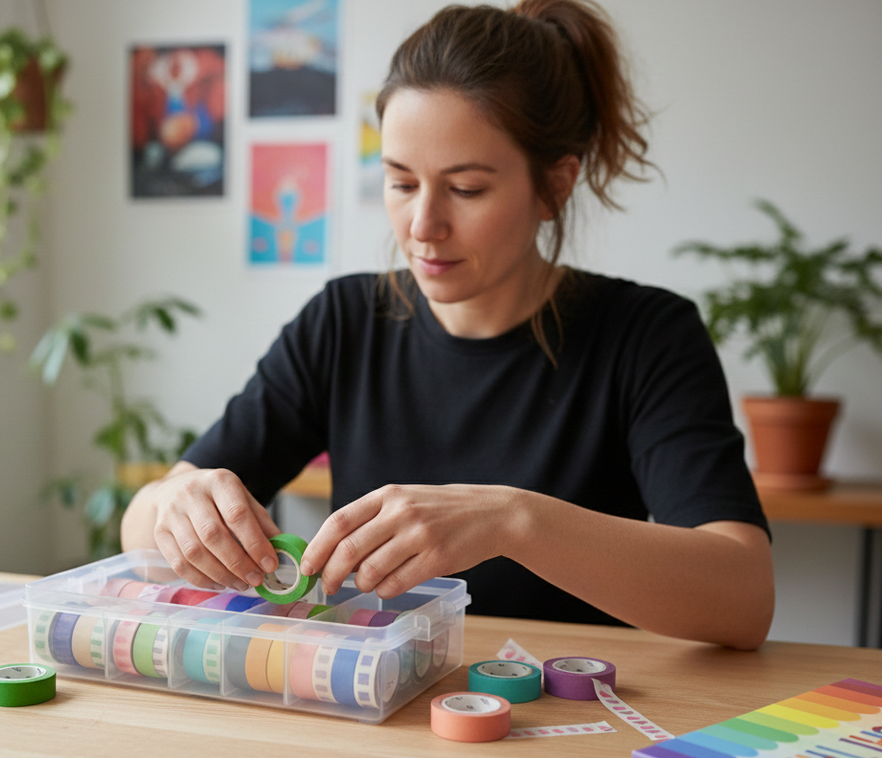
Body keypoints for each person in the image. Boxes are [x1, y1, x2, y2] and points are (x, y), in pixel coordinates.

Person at [121, 0, 775, 650]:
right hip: (378, 704)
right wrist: (174, 506)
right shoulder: (344, 321)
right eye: (401, 182)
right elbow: (141, 527)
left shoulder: (647, 335)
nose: (423, 225)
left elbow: (744, 596)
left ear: (555, 185)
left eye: (465, 190)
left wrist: (515, 521)